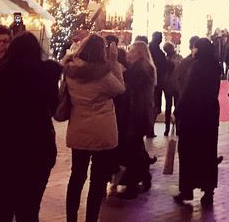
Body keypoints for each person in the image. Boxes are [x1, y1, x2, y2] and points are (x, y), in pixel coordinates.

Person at [0, 32, 61, 222]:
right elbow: (54, 108)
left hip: (4, 152)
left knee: (3, 208)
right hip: (38, 150)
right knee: (29, 210)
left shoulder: (0, 83)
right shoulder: (46, 78)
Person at [63, 34, 124, 222]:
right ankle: (90, 218)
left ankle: (71, 218)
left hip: (79, 128)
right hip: (101, 131)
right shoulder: (104, 76)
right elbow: (120, 89)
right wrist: (114, 62)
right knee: (97, 181)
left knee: (76, 176)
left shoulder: (70, 71)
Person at [173, 39, 221, 206]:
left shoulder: (197, 65)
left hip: (193, 115)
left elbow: (188, 90)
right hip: (209, 114)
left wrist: (178, 110)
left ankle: (187, 189)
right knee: (207, 153)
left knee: (188, 153)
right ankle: (208, 192)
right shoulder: (216, 65)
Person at [115, 39, 156, 198]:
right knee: (136, 147)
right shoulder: (144, 67)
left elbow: (131, 92)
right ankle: (143, 176)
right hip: (140, 114)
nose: (128, 54)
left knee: (132, 149)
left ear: (138, 53)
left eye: (131, 51)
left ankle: (133, 185)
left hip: (135, 115)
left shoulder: (139, 70)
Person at [149, 31, 169, 131]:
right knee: (155, 106)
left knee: (154, 105)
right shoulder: (157, 51)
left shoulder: (151, 49)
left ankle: (150, 127)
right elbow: (163, 66)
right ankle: (150, 128)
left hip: (153, 81)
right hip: (157, 80)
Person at [161, 40, 180, 136]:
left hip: (169, 85)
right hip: (174, 85)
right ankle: (175, 127)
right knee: (174, 106)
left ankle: (168, 128)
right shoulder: (178, 58)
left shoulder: (165, 59)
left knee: (170, 107)